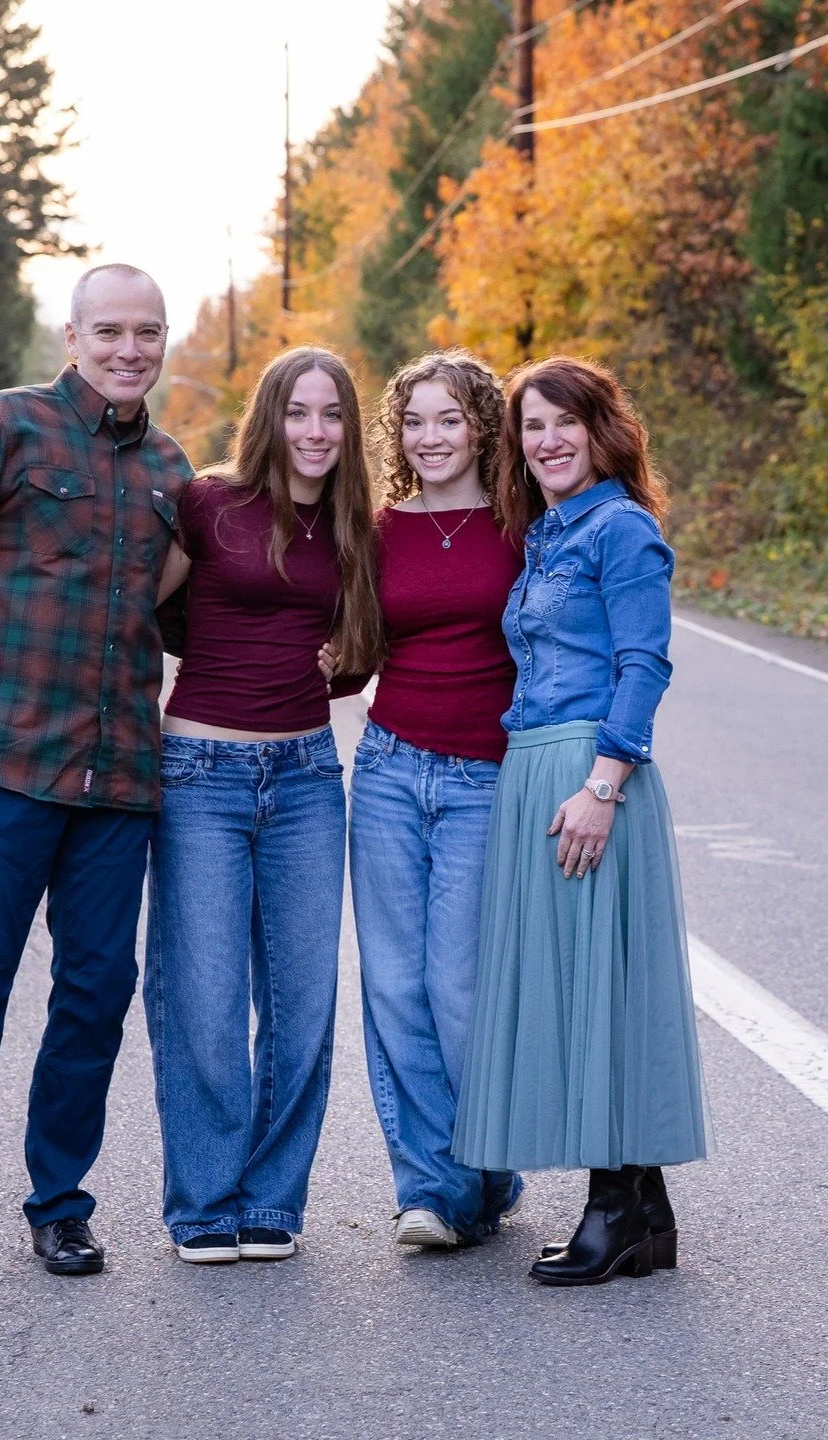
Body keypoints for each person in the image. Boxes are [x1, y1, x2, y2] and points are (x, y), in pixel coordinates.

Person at [0, 263, 191, 1293]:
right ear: (74, 336)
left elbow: (184, 617)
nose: (129, 349)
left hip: (118, 785)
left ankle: (61, 1206)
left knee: (95, 1000)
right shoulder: (5, 426)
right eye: (110, 331)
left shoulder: (171, 471)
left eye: (147, 332)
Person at [451, 355, 709, 1287]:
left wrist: (603, 786)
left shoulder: (621, 529)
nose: (549, 440)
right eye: (533, 425)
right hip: (537, 766)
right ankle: (646, 1215)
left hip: (588, 775)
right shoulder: (546, 532)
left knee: (599, 985)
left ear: (603, 433)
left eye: (566, 422)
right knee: (585, 980)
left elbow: (645, 664)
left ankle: (611, 1208)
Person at [143, 346, 382, 1264]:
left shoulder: (356, 526)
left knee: (302, 1004)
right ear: (270, 418)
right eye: (298, 411)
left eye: (333, 414)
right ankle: (206, 1202)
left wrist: (344, 665)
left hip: (308, 780)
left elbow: (360, 652)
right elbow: (134, 615)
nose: (315, 431)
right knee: (203, 999)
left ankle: (273, 1201)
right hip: (200, 775)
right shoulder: (210, 503)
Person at [346, 350, 524, 1250]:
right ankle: (432, 1187)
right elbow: (348, 648)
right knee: (393, 985)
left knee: (458, 986)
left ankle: (485, 1164)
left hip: (484, 777)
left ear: (482, 428)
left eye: (448, 419)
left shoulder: (523, 525)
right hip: (387, 770)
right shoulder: (378, 530)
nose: (430, 437)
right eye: (413, 421)